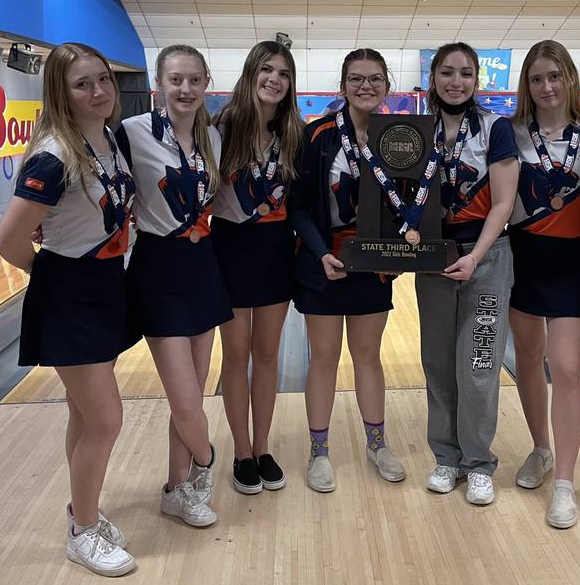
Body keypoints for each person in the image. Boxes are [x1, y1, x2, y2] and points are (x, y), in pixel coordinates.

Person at [0, 43, 137, 576]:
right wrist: (49, 278)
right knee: (106, 420)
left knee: (86, 415)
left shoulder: (100, 137)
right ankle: (82, 530)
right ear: (61, 90)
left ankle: (86, 513)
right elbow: (8, 240)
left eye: (103, 79)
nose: (99, 91)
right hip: (70, 294)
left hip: (103, 287)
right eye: (83, 84)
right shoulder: (54, 154)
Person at [115, 44, 231, 526]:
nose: (185, 89)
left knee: (195, 397)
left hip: (201, 264)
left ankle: (176, 488)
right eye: (175, 80)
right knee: (185, 401)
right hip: (158, 269)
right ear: (158, 85)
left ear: (206, 84)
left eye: (194, 80)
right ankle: (206, 464)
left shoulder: (211, 137)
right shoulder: (130, 132)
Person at [289, 48, 405, 492]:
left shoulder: (399, 136)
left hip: (373, 264)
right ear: (343, 86)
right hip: (324, 262)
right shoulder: (316, 136)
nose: (366, 87)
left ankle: (378, 444)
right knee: (324, 359)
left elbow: (413, 203)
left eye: (375, 79)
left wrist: (399, 253)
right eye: (356, 79)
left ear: (387, 86)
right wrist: (320, 253)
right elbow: (298, 207)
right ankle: (319, 451)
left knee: (368, 357)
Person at [507, 40, 580, 528]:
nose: (547, 87)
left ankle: (564, 482)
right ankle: (540, 449)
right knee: (527, 358)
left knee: (565, 368)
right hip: (520, 258)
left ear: (570, 79)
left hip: (571, 261)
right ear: (526, 85)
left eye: (555, 76)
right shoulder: (509, 133)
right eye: (537, 78)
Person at [415, 42, 518, 505]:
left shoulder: (496, 128)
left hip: (487, 258)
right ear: (433, 77)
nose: (457, 82)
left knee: (478, 364)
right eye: (447, 72)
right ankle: (445, 457)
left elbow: (502, 203)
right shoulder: (415, 130)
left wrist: (475, 256)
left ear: (478, 81)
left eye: (466, 74)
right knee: (438, 362)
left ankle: (478, 463)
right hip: (434, 259)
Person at [212, 41, 304, 494]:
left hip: (273, 250)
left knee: (267, 354)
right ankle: (241, 451)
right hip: (229, 248)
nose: (274, 79)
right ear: (251, 74)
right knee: (236, 355)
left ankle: (263, 447)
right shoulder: (222, 128)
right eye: (266, 70)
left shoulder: (292, 133)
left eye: (283, 74)